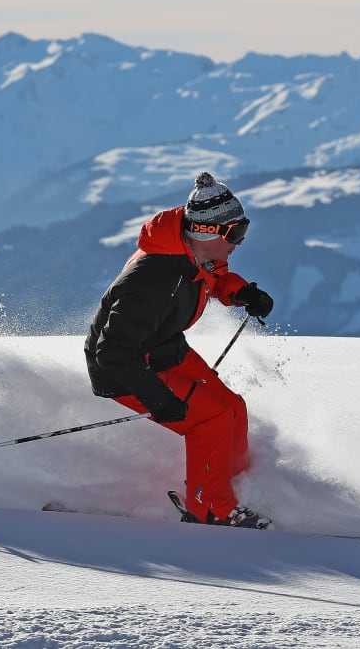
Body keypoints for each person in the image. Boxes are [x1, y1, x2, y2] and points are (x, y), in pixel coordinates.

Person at [84, 171, 274, 529]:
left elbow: (213, 278)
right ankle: (210, 511)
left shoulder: (195, 253)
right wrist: (157, 397)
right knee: (208, 420)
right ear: (206, 231)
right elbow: (112, 351)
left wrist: (242, 292)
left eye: (242, 229)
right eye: (234, 233)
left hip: (163, 348)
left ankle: (230, 490)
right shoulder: (153, 279)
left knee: (232, 408)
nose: (239, 241)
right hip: (125, 367)